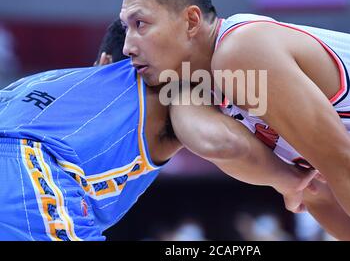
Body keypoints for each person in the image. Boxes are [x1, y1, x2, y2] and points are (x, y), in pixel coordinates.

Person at [112, 0, 350, 240]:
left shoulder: (240, 51)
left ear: (192, 21)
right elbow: (316, 193)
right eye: (126, 28)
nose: (128, 46)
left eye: (141, 24)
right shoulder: (218, 92)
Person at [0, 19, 317, 241]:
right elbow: (218, 142)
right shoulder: (168, 87)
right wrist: (286, 179)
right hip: (31, 173)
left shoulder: (39, 81)